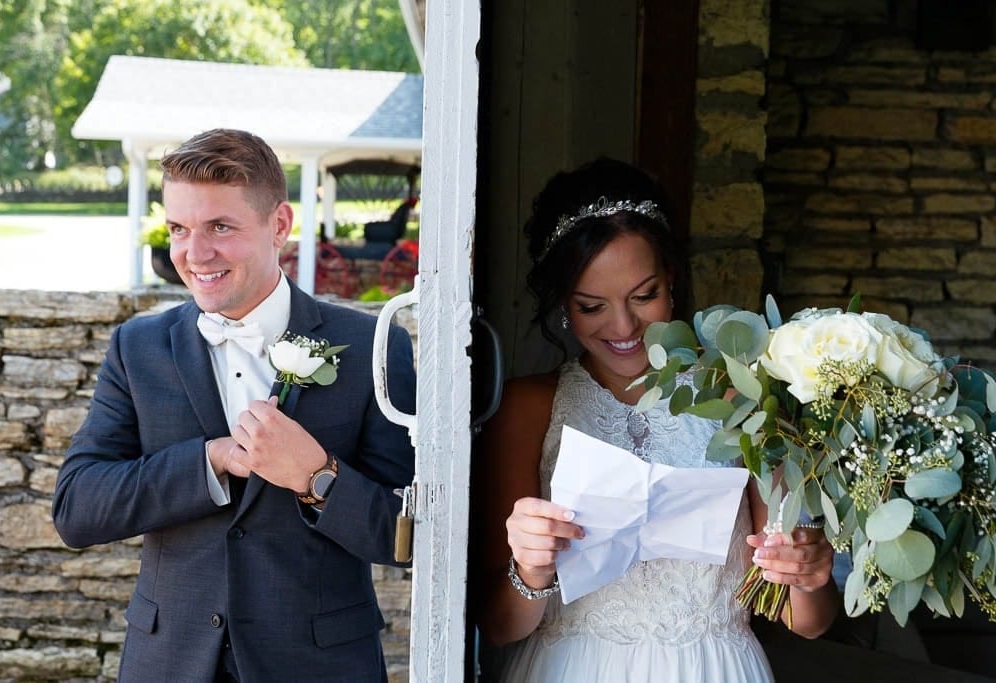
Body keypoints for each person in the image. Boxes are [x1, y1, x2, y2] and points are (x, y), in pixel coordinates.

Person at [51, 128, 416, 682]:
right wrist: (211, 461)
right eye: (179, 228)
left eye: (220, 227)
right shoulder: (138, 348)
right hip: (168, 662)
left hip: (318, 665)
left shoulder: (373, 347)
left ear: (279, 226)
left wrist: (316, 477)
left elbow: (406, 535)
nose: (194, 254)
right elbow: (77, 509)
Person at [471, 158, 838, 682]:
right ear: (562, 305)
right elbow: (500, 626)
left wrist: (807, 575)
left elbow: (807, 621)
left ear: (672, 279)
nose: (624, 326)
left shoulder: (744, 398)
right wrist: (531, 569)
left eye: (644, 296)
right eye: (591, 306)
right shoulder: (528, 409)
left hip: (713, 668)